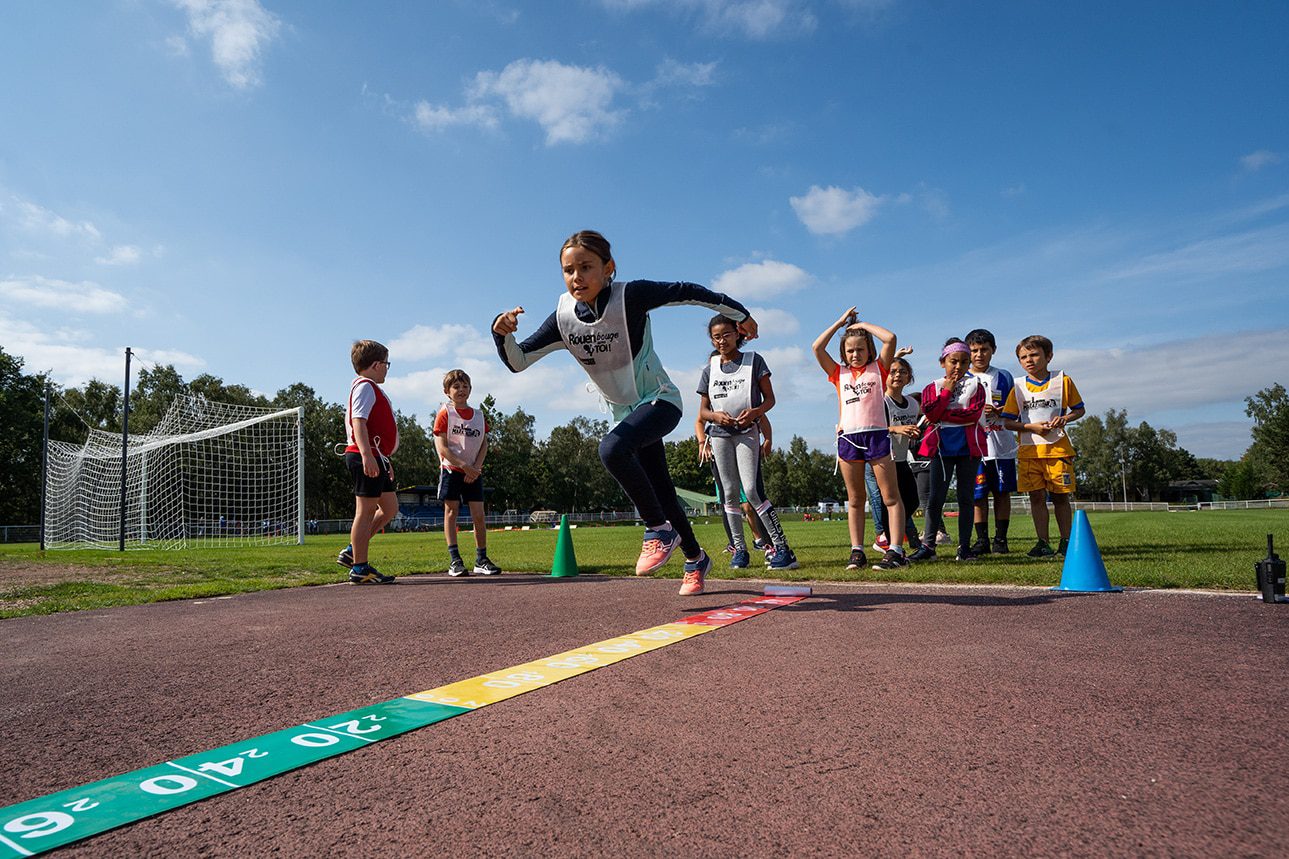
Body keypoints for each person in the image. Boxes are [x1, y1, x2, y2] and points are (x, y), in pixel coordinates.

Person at [492, 229, 756, 596]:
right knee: (663, 493)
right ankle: (696, 558)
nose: (577, 277)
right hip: (625, 416)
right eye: (568, 270)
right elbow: (518, 362)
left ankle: (657, 529)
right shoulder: (562, 318)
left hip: (660, 401)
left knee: (611, 450)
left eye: (586, 267)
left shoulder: (630, 296)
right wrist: (500, 333)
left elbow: (686, 291)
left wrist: (738, 313)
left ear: (608, 268)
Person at [697, 314, 798, 570]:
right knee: (729, 494)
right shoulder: (710, 368)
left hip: (746, 433)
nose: (722, 340)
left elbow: (770, 400)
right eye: (716, 336)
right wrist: (715, 416)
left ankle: (782, 547)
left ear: (738, 333)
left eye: (727, 334)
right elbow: (703, 413)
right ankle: (740, 550)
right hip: (719, 435)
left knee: (751, 490)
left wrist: (754, 413)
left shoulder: (754, 361)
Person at [812, 307, 908, 571]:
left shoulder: (880, 369)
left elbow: (890, 338)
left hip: (876, 435)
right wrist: (840, 323)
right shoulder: (838, 373)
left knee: (890, 496)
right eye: (850, 350)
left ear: (869, 350)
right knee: (856, 499)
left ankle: (896, 550)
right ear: (844, 353)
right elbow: (817, 347)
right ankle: (857, 550)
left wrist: (862, 326)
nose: (855, 354)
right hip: (849, 438)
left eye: (860, 349)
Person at [1001, 335, 1086, 557]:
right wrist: (1030, 427)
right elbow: (1008, 421)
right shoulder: (1018, 387)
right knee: (1036, 497)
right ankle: (1043, 542)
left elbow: (1079, 409)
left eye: (1034, 354)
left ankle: (1066, 541)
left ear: (1048, 356)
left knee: (1060, 497)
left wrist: (1065, 419)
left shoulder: (1062, 380)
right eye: (1023, 357)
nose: (1029, 360)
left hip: (1058, 449)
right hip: (1029, 451)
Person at [909, 339, 986, 562]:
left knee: (966, 498)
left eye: (964, 362)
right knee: (935, 499)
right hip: (941, 448)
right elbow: (931, 414)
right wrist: (947, 393)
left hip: (968, 447)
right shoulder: (932, 387)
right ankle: (928, 546)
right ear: (943, 362)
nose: (958, 366)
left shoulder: (976, 386)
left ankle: (964, 548)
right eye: (953, 361)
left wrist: (943, 414)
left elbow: (972, 414)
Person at [337, 339, 398, 584]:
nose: (386, 368)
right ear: (375, 365)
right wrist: (366, 455)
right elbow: (358, 422)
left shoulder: (371, 387)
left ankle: (354, 549)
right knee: (365, 511)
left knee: (390, 508)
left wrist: (383, 458)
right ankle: (360, 567)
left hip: (377, 455)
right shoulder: (364, 387)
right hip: (365, 454)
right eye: (386, 364)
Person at [433, 369, 501, 577]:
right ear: (447, 391)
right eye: (456, 387)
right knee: (451, 512)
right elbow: (442, 448)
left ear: (470, 389)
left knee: (479, 516)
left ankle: (481, 558)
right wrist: (464, 466)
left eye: (465, 386)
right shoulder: (445, 413)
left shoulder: (479, 416)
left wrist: (476, 468)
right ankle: (455, 560)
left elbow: (484, 444)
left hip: (473, 472)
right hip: (452, 470)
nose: (461, 390)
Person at [695, 412, 775, 564]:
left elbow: (761, 415)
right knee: (728, 498)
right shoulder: (713, 394)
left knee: (755, 495)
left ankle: (769, 545)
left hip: (746, 446)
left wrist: (768, 439)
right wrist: (702, 443)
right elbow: (700, 419)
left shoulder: (743, 394)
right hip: (720, 451)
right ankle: (737, 547)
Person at [965, 328, 1018, 555]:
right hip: (974, 446)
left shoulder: (1004, 376)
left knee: (1001, 493)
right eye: (974, 350)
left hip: (1001, 445)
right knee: (977, 495)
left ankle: (1001, 539)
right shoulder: (962, 378)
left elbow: (1016, 409)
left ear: (993, 350)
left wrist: (1002, 410)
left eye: (984, 349)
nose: (979, 355)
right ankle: (982, 540)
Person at [883, 353, 923, 550]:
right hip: (882, 459)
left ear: (909, 377)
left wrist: (913, 433)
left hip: (901, 458)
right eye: (892, 372)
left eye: (903, 372)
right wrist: (896, 429)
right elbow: (874, 428)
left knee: (912, 500)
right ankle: (889, 541)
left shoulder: (913, 404)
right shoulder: (882, 402)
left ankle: (890, 534)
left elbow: (909, 428)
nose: (897, 375)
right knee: (887, 501)